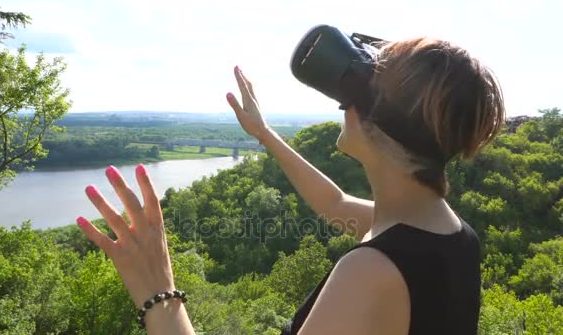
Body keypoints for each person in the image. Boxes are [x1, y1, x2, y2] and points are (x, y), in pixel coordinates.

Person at [76, 36, 505, 334]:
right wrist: (264, 134)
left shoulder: (370, 272)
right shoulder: (451, 235)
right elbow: (332, 202)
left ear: (371, 114)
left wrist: (159, 294)